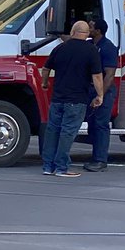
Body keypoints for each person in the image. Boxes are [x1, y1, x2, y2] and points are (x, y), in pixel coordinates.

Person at [40, 20, 103, 178]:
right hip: (77, 100)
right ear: (87, 33)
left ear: (73, 31)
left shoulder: (60, 48)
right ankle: (62, 167)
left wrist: (45, 83)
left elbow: (46, 68)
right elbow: (96, 75)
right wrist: (99, 95)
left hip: (58, 98)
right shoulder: (91, 50)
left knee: (53, 131)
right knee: (68, 132)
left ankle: (48, 166)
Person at [83, 18, 119, 172]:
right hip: (91, 90)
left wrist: (100, 95)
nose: (88, 28)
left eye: (91, 27)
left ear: (98, 31)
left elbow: (109, 75)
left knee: (100, 125)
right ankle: (95, 156)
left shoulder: (108, 48)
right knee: (92, 124)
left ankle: (100, 160)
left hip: (104, 91)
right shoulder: (91, 45)